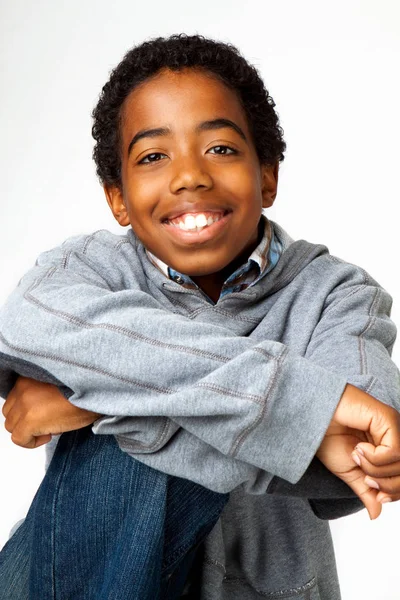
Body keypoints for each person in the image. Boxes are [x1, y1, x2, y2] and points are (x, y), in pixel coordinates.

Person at [1, 34, 400, 600]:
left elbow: (364, 459)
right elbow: (26, 322)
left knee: (114, 435)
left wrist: (92, 400)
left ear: (268, 176)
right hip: (81, 580)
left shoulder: (337, 295)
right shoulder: (84, 273)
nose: (189, 175)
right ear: (117, 197)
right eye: (153, 156)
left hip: (262, 590)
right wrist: (295, 412)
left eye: (220, 149)